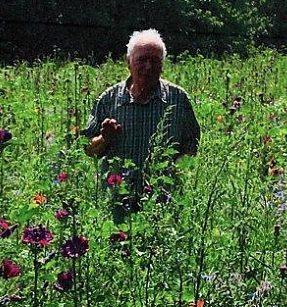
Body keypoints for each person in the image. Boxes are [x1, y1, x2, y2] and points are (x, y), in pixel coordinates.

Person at [83, 29, 200, 220]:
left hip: (162, 204)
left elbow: (192, 146)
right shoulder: (109, 99)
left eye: (155, 61)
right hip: (117, 203)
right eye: (142, 60)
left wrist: (171, 174)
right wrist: (105, 138)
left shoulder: (178, 100)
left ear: (163, 65)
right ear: (128, 62)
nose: (148, 66)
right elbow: (88, 148)